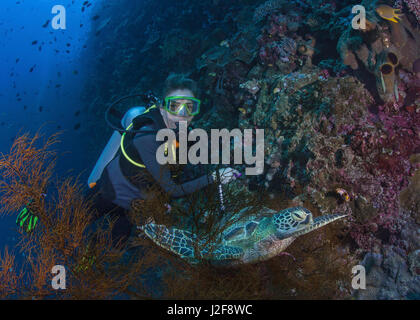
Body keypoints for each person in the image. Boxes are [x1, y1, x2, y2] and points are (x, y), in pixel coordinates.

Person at [87, 74, 240, 245]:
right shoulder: (147, 138)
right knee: (69, 220)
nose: (183, 115)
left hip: (133, 202)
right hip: (108, 192)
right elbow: (172, 190)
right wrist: (215, 177)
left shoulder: (180, 133)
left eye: (190, 107)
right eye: (175, 106)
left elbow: (190, 154)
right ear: (162, 109)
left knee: (113, 246)